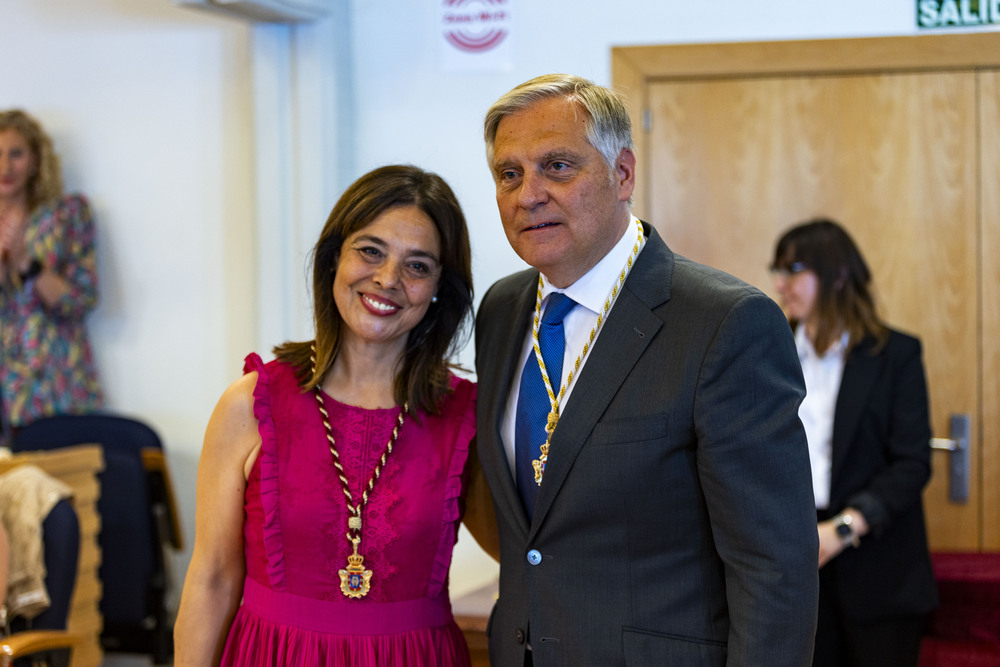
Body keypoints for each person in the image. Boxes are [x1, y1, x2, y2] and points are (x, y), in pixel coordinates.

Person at [474, 73, 819, 666]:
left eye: (558, 166)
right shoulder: (502, 310)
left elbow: (774, 569)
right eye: (510, 174)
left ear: (623, 174)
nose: (528, 193)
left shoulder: (724, 322)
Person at [174, 165, 486, 666]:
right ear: (333, 259)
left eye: (418, 265)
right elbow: (211, 578)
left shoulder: (468, 417)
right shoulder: (249, 405)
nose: (388, 279)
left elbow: (526, 552)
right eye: (371, 251)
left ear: (438, 291)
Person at [771, 218, 938, 667]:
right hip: (792, 561)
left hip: (878, 565)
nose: (780, 283)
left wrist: (844, 528)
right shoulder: (769, 350)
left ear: (838, 275)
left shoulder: (895, 354)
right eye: (778, 270)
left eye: (794, 269)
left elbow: (912, 462)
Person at [0, 110, 102, 443]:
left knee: (68, 487)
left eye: (16, 154)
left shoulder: (66, 215)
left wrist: (27, 264)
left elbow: (81, 300)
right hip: (4, 392)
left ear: (34, 160)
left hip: (56, 388)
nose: (5, 167)